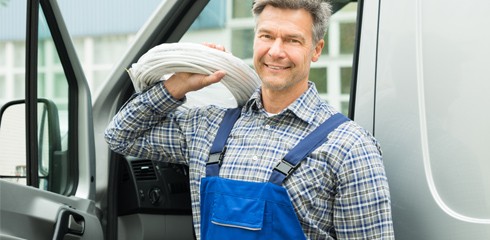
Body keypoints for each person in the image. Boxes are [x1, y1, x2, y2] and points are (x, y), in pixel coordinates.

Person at [105, 0, 394, 239]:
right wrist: (179, 83)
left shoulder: (349, 146)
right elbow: (120, 135)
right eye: (267, 36)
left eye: (292, 40)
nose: (276, 51)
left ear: (316, 49)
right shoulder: (207, 127)